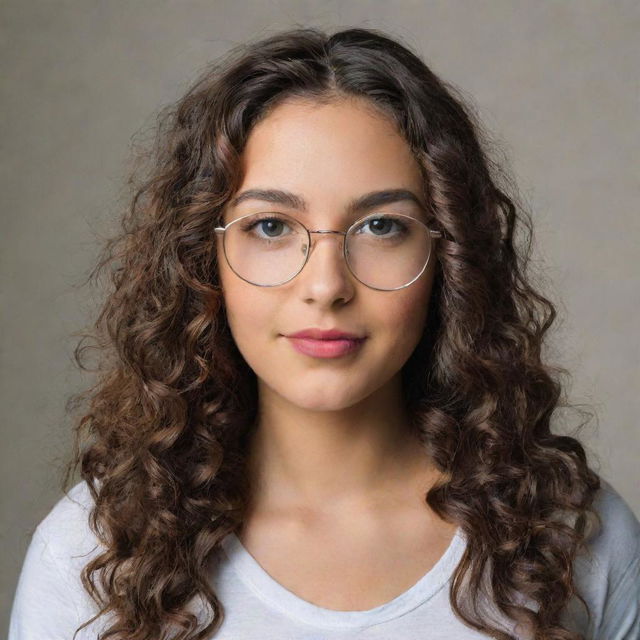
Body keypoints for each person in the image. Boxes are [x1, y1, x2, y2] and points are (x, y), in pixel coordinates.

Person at [8, 26, 639, 640]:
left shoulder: (575, 538)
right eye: (272, 227)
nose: (326, 285)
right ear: (203, 259)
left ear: (449, 256)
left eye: (381, 227)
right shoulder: (92, 552)